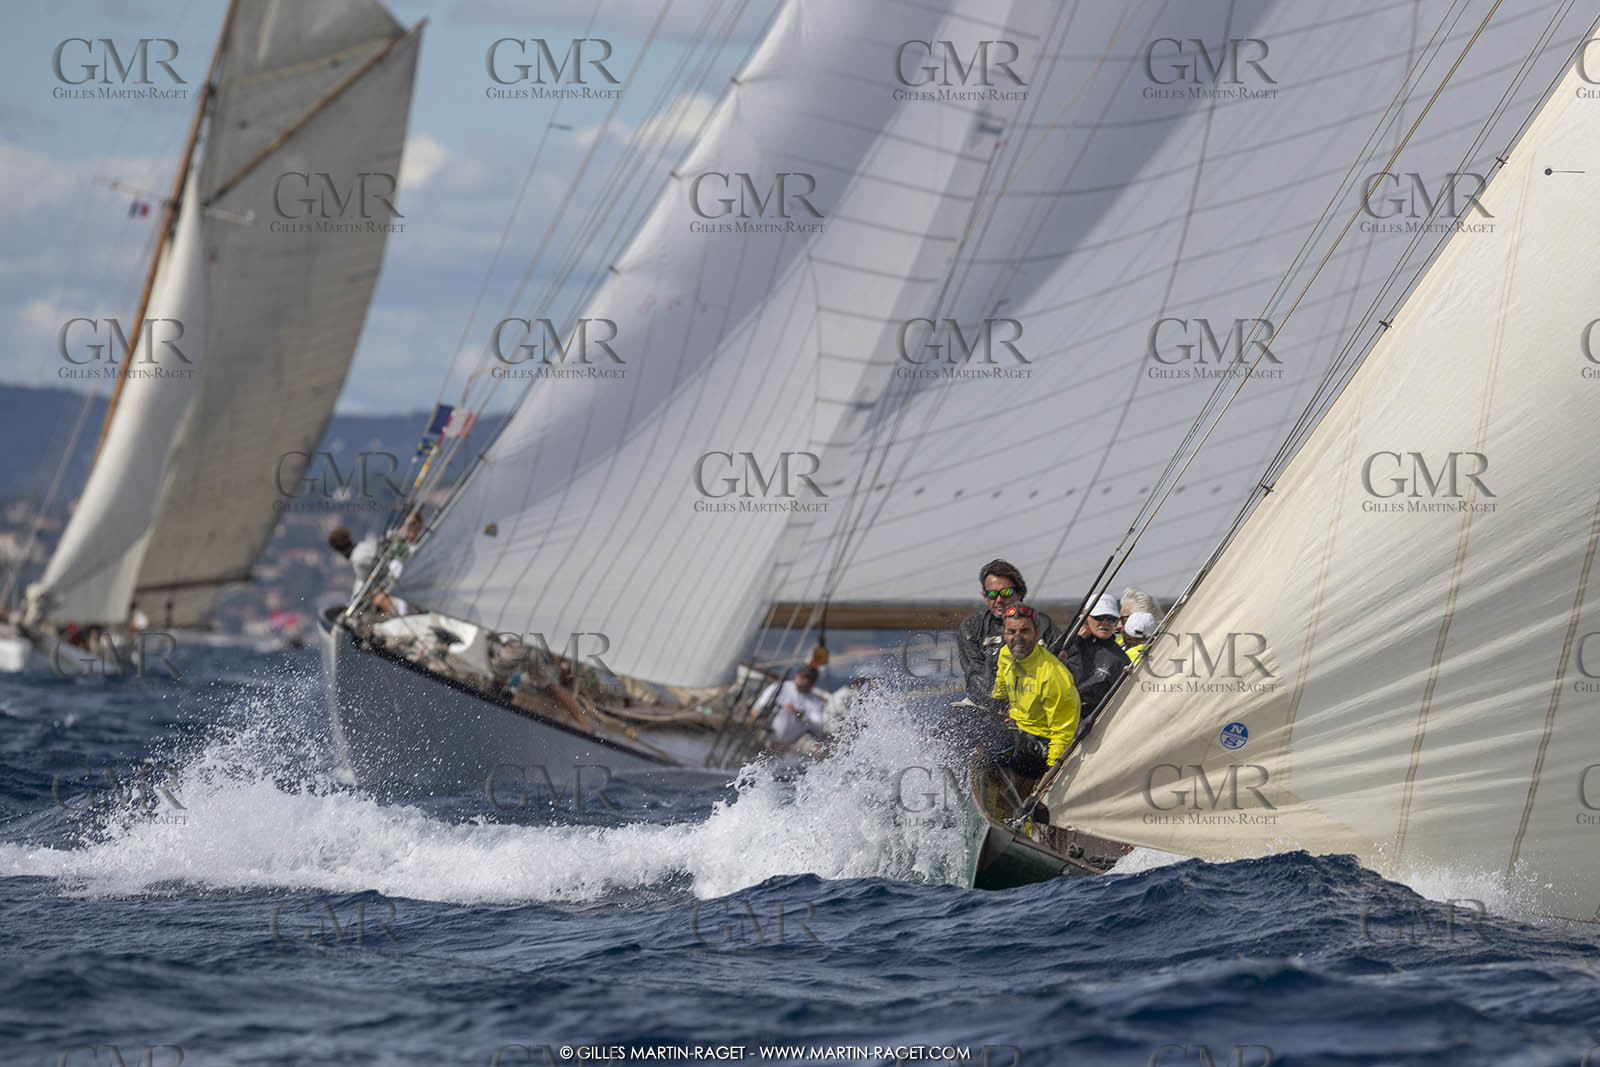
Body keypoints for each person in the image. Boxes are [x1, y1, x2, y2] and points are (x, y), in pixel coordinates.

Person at [986, 603, 1080, 780]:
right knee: (964, 721)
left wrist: (1052, 773)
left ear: (1037, 633)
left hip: (1041, 745)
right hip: (1015, 727)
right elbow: (1000, 691)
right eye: (1011, 632)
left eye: (1024, 631)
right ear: (1004, 634)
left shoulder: (1054, 675)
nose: (1017, 638)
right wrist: (996, 712)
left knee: (994, 742)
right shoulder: (1005, 653)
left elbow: (1063, 733)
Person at [956, 559, 1060, 712]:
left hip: (1035, 704)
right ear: (985, 596)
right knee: (956, 718)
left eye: (1006, 593)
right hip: (987, 706)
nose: (999, 600)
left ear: (1019, 593)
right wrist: (1003, 706)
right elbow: (975, 676)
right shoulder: (972, 627)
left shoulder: (1044, 624)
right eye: (992, 594)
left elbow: (1067, 666)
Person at [1060, 592, 1131, 716]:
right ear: (1085, 617)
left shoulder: (1121, 660)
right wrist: (1076, 641)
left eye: (1111, 618)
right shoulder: (1067, 644)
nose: (1105, 622)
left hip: (1092, 721)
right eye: (1099, 617)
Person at [328, 526, 408, 616]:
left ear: (338, 550)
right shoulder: (364, 545)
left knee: (377, 600)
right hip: (400, 574)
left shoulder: (358, 561)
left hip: (394, 585)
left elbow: (366, 585)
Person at [754, 664, 827, 750]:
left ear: (813, 683)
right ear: (797, 675)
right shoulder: (779, 687)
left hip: (794, 741)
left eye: (810, 680)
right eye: (803, 677)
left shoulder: (815, 702)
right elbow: (757, 708)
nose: (806, 681)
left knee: (817, 750)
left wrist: (800, 715)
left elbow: (818, 727)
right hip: (768, 733)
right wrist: (759, 717)